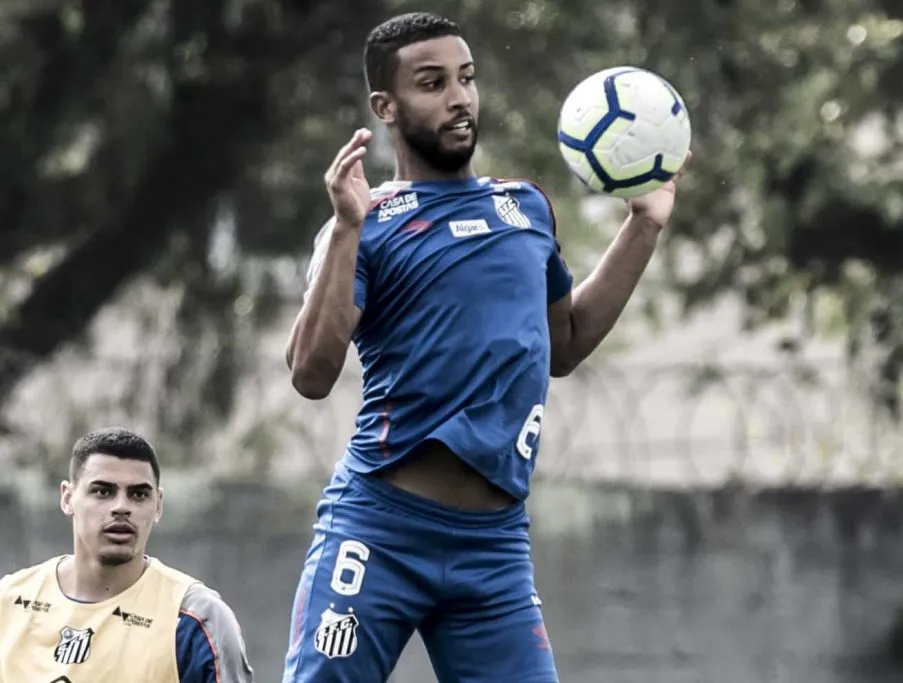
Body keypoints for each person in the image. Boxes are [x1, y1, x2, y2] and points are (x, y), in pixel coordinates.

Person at [283, 11, 688, 683]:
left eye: (466, 79)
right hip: (379, 533)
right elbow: (309, 373)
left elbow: (566, 344)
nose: (459, 98)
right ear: (386, 106)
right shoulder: (368, 224)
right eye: (433, 83)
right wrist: (347, 227)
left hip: (493, 549)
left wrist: (644, 225)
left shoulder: (525, 208)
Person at [0, 427, 254, 683]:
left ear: (158, 505)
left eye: (139, 494)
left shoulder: (195, 620)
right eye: (102, 491)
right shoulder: (8, 601)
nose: (121, 507)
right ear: (68, 498)